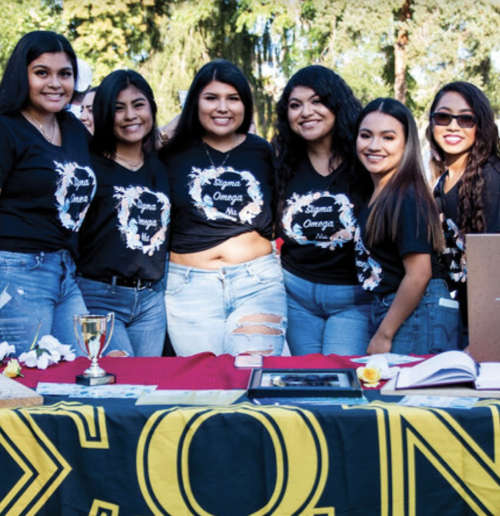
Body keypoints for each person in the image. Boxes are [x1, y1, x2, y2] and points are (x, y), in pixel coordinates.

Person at [160, 59, 287, 357]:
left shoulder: (261, 151)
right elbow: (126, 154)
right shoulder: (170, 152)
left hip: (257, 283)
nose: (222, 107)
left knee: (253, 374)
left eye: (233, 98)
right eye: (211, 98)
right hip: (188, 289)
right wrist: (173, 127)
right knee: (206, 385)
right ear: (194, 103)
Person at [0, 31, 97, 355]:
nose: (55, 83)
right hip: (15, 271)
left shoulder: (72, 129)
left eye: (64, 74)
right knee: (21, 382)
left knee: (82, 367)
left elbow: (129, 149)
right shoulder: (6, 128)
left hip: (64, 269)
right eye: (42, 73)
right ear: (21, 75)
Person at [273, 65, 373, 355]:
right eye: (295, 105)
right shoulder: (280, 161)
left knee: (340, 382)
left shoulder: (365, 157)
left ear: (336, 104)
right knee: (308, 383)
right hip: (296, 297)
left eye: (317, 101)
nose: (306, 112)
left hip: (353, 299)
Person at [355, 98, 460, 355]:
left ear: (406, 144)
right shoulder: (380, 192)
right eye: (365, 135)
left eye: (388, 137)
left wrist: (384, 334)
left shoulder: (406, 197)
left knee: (408, 394)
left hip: (416, 312)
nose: (373, 146)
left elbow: (418, 274)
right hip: (398, 309)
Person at [76, 70, 170, 356]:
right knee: (116, 384)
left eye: (138, 105)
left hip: (151, 301)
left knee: (145, 390)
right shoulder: (87, 167)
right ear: (104, 114)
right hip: (99, 297)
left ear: (151, 109)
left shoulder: (162, 167)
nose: (130, 115)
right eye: (118, 108)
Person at [427, 81, 500, 345]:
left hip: (483, 325)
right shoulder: (443, 180)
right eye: (443, 116)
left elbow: (494, 268)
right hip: (452, 317)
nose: (453, 126)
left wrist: (483, 338)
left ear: (480, 126)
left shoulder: (490, 178)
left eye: (466, 119)